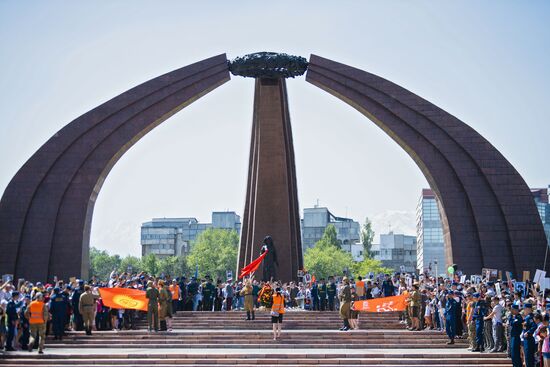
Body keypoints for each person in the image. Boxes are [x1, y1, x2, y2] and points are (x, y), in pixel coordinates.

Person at [523, 303, 537, 367]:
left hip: (529, 339)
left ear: (529, 309)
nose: (524, 310)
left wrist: (528, 332)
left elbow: (534, 326)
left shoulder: (530, 317)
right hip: (526, 340)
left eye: (525, 309)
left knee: (529, 359)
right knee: (527, 358)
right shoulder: (527, 317)